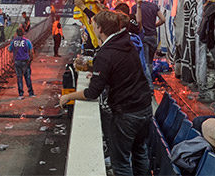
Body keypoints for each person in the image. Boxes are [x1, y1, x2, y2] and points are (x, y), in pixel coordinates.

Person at [59, 11, 152, 176]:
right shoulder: (125, 42)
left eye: (94, 25)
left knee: (121, 163)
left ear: (100, 28)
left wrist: (68, 96)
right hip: (144, 107)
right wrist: (98, 71)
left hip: (127, 113)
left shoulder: (106, 53)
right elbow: (120, 68)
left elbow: (92, 92)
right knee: (140, 153)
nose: (92, 28)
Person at [134, 0, 164, 67]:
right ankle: (150, 76)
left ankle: (148, 79)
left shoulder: (135, 7)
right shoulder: (154, 6)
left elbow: (138, 21)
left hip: (143, 36)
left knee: (145, 62)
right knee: (150, 61)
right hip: (153, 36)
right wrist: (154, 26)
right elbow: (163, 19)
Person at [7, 27, 34, 98]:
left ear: (16, 33)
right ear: (23, 33)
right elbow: (31, 52)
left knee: (19, 78)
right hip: (25, 61)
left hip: (17, 61)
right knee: (27, 77)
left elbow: (9, 50)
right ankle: (31, 93)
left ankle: (21, 94)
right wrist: (31, 59)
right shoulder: (27, 41)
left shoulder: (14, 41)